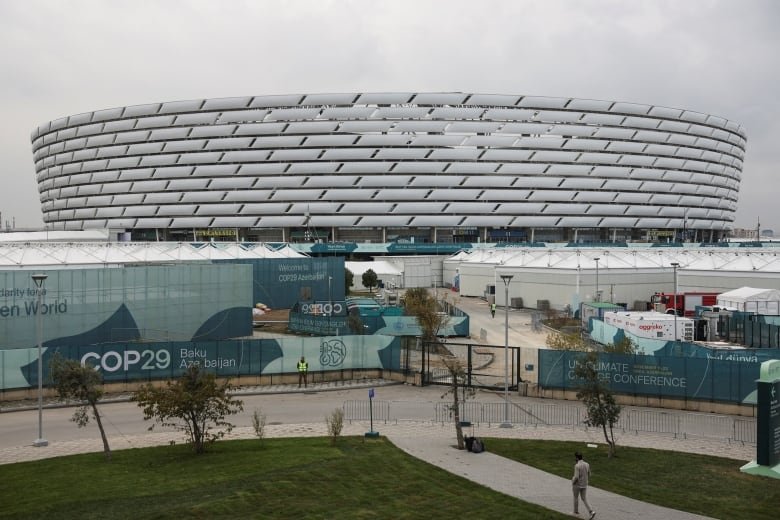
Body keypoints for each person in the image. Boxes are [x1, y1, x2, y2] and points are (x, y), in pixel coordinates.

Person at [572, 451, 596, 519]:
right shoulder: (587, 464)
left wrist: (573, 482)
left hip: (577, 484)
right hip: (584, 484)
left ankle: (576, 512)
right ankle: (591, 511)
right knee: (584, 498)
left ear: (576, 458)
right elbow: (589, 474)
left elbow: (576, 477)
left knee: (576, 497)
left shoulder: (577, 466)